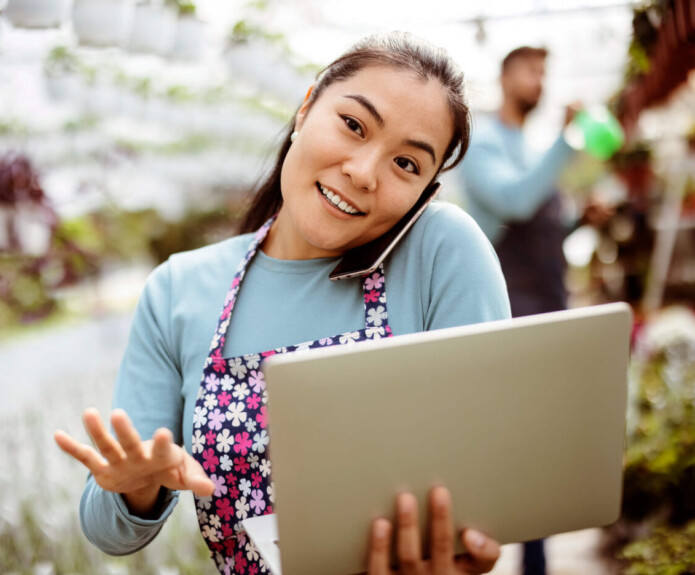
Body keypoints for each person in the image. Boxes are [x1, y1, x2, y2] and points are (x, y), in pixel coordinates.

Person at [55, 32, 511, 575]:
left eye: (407, 164)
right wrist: (134, 489)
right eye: (353, 125)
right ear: (305, 109)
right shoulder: (179, 290)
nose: (363, 173)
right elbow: (108, 532)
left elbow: (489, 490)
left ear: (425, 192)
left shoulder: (441, 254)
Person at [458, 46, 578, 575]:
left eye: (545, 72)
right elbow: (516, 203)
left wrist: (577, 220)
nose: (541, 81)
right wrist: (567, 143)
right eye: (532, 71)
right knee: (511, 449)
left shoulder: (525, 147)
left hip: (548, 308)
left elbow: (542, 222)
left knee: (543, 450)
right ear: (505, 77)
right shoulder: (484, 145)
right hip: (510, 312)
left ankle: (536, 560)